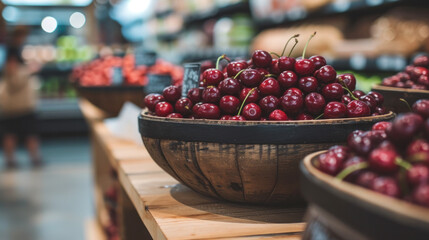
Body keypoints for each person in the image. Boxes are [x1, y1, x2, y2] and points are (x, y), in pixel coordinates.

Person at [0, 48, 42, 168]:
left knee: (10, 136)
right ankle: (34, 159)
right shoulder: (23, 72)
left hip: (9, 109)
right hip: (24, 109)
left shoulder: (5, 73)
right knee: (29, 136)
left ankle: (11, 161)